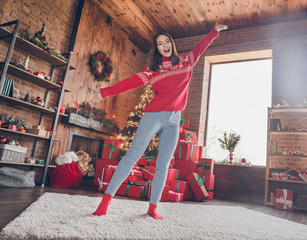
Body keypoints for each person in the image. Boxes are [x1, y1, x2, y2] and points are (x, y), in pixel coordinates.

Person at [91, 23, 228, 220]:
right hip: (153, 116)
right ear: (156, 48)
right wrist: (105, 92)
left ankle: (152, 208)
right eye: (159, 43)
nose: (164, 45)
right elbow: (129, 83)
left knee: (163, 165)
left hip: (174, 120)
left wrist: (215, 31)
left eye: (166, 41)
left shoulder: (187, 61)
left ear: (171, 44)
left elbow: (200, 47)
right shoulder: (152, 71)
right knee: (132, 156)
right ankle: (105, 202)